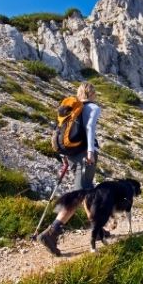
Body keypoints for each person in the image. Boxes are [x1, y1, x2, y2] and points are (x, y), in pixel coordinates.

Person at [38, 82, 101, 256]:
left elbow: (60, 133)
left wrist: (64, 157)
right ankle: (51, 232)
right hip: (85, 156)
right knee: (79, 194)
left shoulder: (72, 110)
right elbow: (89, 128)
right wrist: (89, 152)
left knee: (87, 191)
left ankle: (98, 228)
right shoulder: (93, 108)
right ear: (93, 93)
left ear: (79, 93)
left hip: (72, 155)